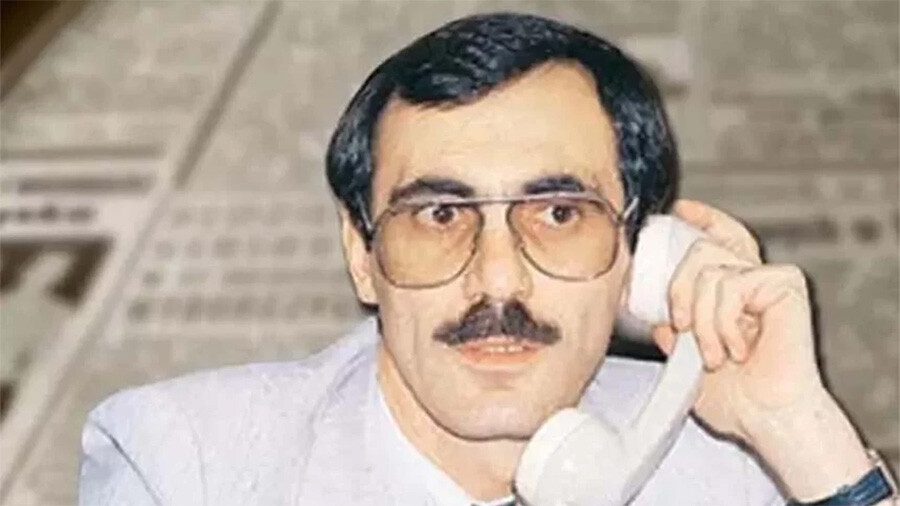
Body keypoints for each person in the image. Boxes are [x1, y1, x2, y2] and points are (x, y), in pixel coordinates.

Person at [78, 13, 897, 506]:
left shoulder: (732, 467)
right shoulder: (186, 466)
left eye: (559, 213)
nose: (498, 279)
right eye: (439, 214)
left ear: (640, 257)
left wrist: (799, 432)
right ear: (361, 254)